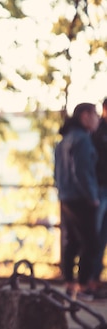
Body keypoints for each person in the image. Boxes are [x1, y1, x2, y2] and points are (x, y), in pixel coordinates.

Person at [54, 102, 101, 301]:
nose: (98, 119)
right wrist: (92, 196)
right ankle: (83, 286)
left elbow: (57, 172)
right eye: (95, 114)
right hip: (80, 198)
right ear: (85, 116)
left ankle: (69, 283)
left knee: (71, 241)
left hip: (66, 197)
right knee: (91, 242)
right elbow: (81, 171)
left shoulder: (64, 140)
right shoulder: (82, 140)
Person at [91, 98, 107, 298]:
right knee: (96, 238)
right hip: (100, 190)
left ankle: (95, 280)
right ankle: (91, 281)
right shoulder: (96, 133)